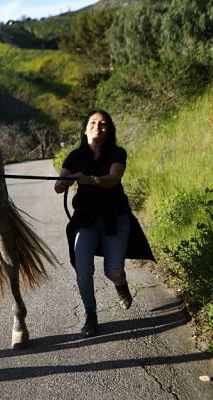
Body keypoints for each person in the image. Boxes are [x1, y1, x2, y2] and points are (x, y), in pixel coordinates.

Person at [54, 110, 154, 338]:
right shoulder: (74, 156)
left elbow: (113, 180)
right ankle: (91, 316)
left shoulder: (117, 153)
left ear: (108, 130)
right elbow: (59, 184)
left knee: (113, 270)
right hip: (85, 220)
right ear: (85, 128)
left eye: (103, 124)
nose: (98, 127)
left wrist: (90, 180)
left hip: (115, 217)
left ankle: (120, 283)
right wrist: (63, 183)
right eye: (93, 123)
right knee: (83, 270)